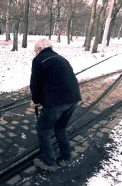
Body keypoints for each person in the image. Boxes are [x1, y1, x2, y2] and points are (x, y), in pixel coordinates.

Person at [30, 39, 82, 171]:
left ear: (40, 48)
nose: (35, 53)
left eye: (35, 50)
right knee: (60, 128)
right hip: (73, 98)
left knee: (43, 129)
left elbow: (36, 84)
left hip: (56, 102)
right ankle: (66, 157)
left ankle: (49, 161)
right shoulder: (60, 58)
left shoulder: (39, 60)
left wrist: (36, 100)